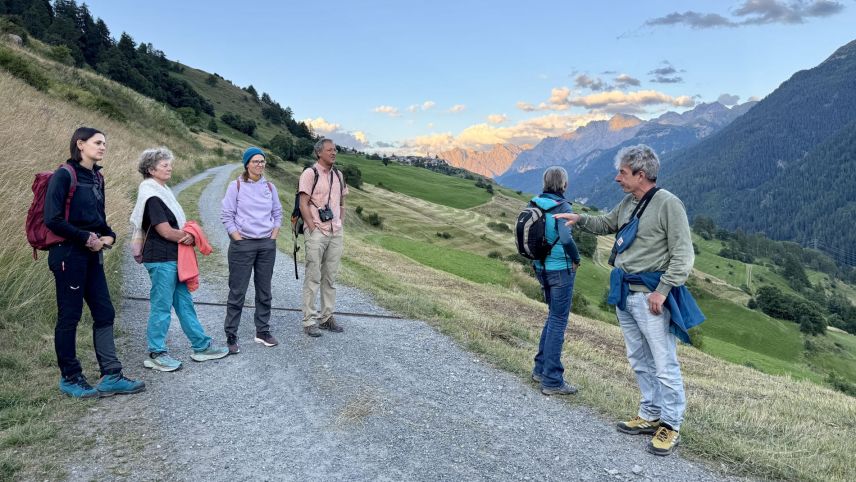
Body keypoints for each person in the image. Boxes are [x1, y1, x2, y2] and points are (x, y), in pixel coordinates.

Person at [554, 144, 703, 456]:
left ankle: (671, 424)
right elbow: (607, 224)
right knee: (638, 359)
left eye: (622, 172)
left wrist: (662, 290)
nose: (617, 178)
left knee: (664, 362)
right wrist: (579, 218)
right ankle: (649, 414)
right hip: (625, 293)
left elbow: (684, 256)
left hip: (651, 297)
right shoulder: (628, 202)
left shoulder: (668, 204)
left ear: (641, 174)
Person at [44, 127, 145, 398]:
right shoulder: (63, 175)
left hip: (92, 256)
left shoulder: (97, 177)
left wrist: (108, 236)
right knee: (70, 316)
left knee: (104, 312)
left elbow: (99, 221)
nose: (103, 147)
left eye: (104, 144)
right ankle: (71, 377)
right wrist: (85, 238)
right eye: (97, 142)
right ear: (80, 144)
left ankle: (111, 374)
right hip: (67, 255)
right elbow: (52, 219)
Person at [130, 147, 228, 372]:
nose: (169, 167)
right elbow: (165, 231)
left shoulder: (161, 190)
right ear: (151, 169)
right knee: (161, 306)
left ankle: (201, 346)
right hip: (161, 258)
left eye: (169, 163)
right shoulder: (152, 195)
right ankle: (157, 353)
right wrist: (190, 237)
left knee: (184, 304)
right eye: (164, 164)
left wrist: (188, 237)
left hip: (172, 258)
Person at [220, 146, 283, 354]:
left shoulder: (270, 188)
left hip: (266, 245)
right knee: (237, 292)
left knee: (264, 291)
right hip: (243, 245)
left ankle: (262, 331)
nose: (260, 165)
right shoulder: (235, 186)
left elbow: (277, 213)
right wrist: (237, 238)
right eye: (255, 161)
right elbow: (227, 215)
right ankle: (231, 334)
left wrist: (272, 237)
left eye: (262, 161)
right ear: (247, 164)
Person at [530, 166, 582, 396]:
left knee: (552, 317)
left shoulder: (534, 203)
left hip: (540, 267)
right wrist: (576, 258)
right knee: (559, 320)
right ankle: (552, 380)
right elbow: (565, 237)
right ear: (564, 185)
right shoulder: (563, 207)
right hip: (560, 270)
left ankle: (540, 369)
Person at [298, 138, 349, 337]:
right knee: (313, 276)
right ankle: (309, 320)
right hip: (317, 231)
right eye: (329, 150)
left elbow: (342, 202)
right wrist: (311, 227)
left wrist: (340, 223)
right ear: (319, 153)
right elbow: (303, 203)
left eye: (335, 149)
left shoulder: (339, 175)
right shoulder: (310, 174)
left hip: (335, 231)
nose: (334, 153)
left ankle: (327, 317)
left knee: (330, 277)